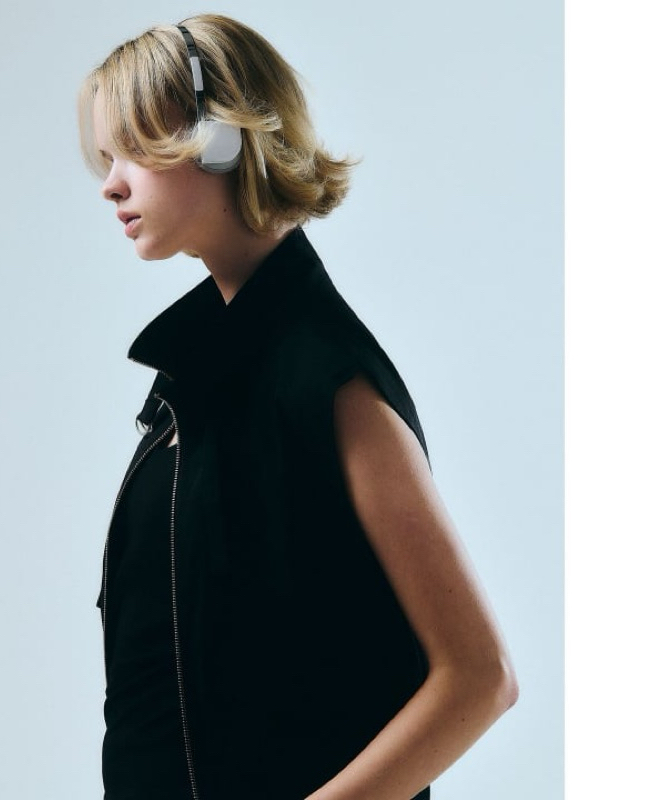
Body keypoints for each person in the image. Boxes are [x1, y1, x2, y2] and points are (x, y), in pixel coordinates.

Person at [77, 13, 518, 800]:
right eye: (106, 159)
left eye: (135, 150)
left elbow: (480, 677)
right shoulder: (195, 382)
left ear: (221, 137)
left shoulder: (326, 377)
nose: (111, 183)